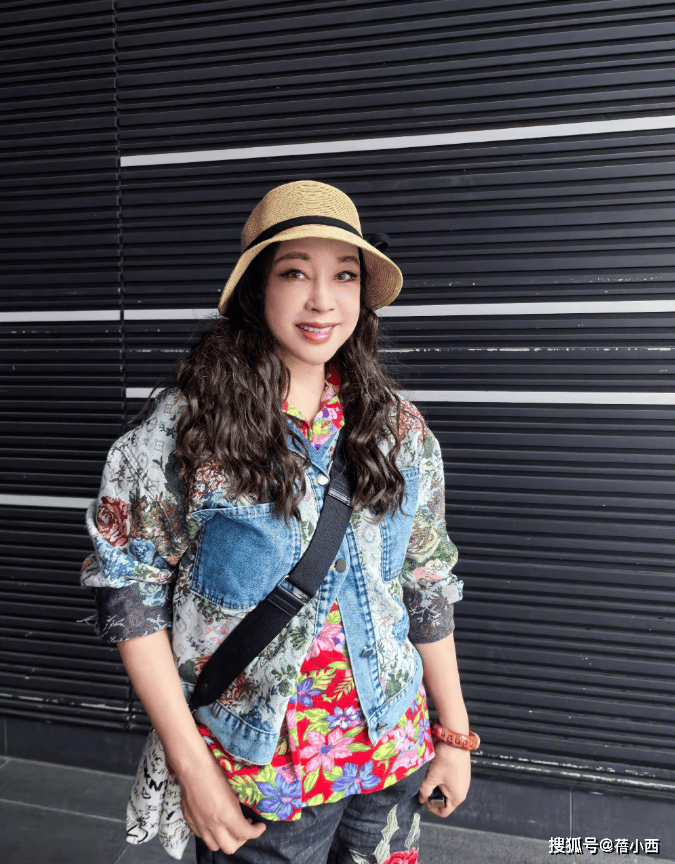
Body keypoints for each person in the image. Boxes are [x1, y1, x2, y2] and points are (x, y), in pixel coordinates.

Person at [81, 180, 476, 863]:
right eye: (295, 273)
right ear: (255, 289)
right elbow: (129, 594)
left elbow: (424, 581)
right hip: (262, 776)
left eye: (344, 276)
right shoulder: (186, 432)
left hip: (392, 754)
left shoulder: (398, 430)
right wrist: (192, 767)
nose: (322, 300)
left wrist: (454, 735)